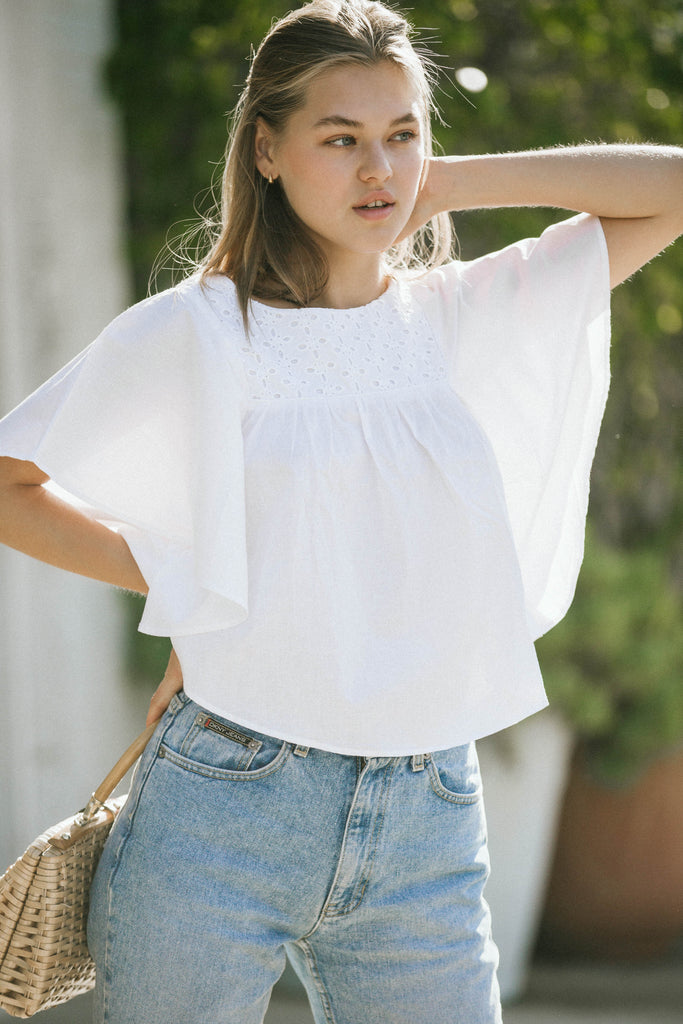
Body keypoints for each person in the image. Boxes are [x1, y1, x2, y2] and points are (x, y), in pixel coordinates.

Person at [0, 1, 681, 1021]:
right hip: (222, 804)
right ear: (265, 150)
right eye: (340, 139)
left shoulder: (459, 316)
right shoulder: (199, 332)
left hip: (426, 819)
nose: (376, 168)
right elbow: (14, 481)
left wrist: (445, 182)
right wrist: (192, 568)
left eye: (399, 134)